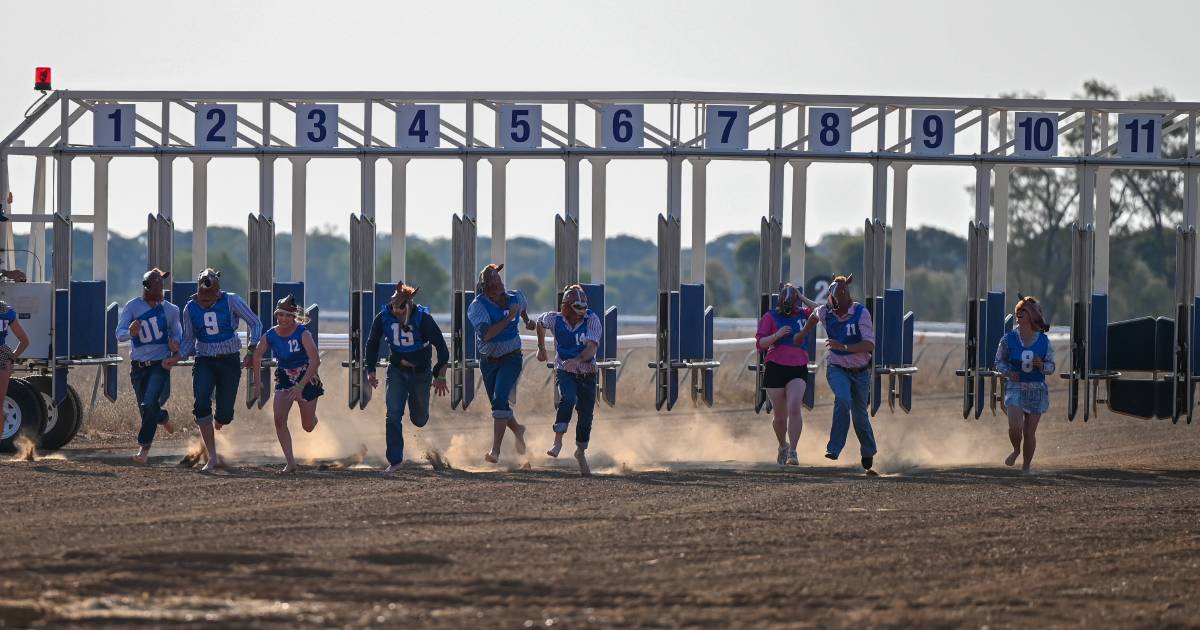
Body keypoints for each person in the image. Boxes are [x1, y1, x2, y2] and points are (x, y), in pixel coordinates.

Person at [168, 268, 262, 472]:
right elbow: (188, 341)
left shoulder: (231, 301)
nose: (206, 303)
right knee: (201, 403)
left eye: (209, 300)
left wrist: (251, 350)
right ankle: (212, 456)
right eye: (203, 299)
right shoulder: (190, 308)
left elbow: (255, 323)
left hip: (229, 361)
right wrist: (176, 357)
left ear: (218, 293)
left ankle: (207, 436)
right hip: (204, 360)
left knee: (225, 415)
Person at [796, 274, 878, 474]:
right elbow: (815, 314)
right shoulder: (827, 311)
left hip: (860, 372)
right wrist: (802, 334)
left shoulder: (860, 313)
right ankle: (834, 448)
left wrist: (843, 346)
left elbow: (869, 345)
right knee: (842, 399)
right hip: (837, 368)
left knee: (860, 416)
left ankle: (868, 450)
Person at [364, 282, 449, 473]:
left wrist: (439, 374)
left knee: (419, 419)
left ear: (409, 304)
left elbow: (442, 348)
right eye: (393, 306)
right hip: (396, 370)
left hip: (420, 373)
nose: (396, 311)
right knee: (393, 414)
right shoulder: (384, 317)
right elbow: (372, 343)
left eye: (400, 307)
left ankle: (419, 413)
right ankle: (395, 460)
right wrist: (370, 369)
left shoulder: (423, 319)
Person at [467, 263, 534, 464]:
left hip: (511, 357)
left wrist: (527, 320)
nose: (500, 285)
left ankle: (495, 451)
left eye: (499, 280)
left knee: (499, 399)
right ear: (485, 288)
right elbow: (487, 335)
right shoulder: (478, 307)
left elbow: (522, 307)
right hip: (488, 360)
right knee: (499, 403)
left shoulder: (516, 297)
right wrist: (511, 317)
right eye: (494, 282)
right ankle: (518, 429)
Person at [116, 268, 183, 464]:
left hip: (159, 365)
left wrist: (175, 343)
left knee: (148, 403)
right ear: (147, 286)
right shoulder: (132, 307)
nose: (161, 287)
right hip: (138, 367)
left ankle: (143, 451)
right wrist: (130, 332)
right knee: (147, 409)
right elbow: (119, 334)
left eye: (162, 283)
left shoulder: (171, 310)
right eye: (157, 283)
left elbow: (177, 333)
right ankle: (162, 417)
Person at [535, 284, 602, 477]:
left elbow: (592, 347)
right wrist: (541, 347)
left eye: (583, 307)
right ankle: (557, 441)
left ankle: (580, 451)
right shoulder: (555, 319)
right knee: (568, 399)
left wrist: (579, 360)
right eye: (577, 307)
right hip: (565, 370)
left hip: (587, 373)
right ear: (566, 306)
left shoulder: (592, 319)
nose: (582, 311)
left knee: (586, 416)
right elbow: (540, 322)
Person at [251, 295, 322, 474]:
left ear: (293, 317)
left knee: (308, 427)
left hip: (306, 377)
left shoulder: (303, 333)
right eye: (279, 315)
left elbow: (315, 361)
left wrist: (300, 387)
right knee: (279, 420)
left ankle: (312, 418)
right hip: (284, 376)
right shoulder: (271, 334)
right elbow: (257, 355)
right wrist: (257, 381)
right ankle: (290, 462)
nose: (283, 319)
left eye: (287, 316)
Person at [995, 296, 1054, 474]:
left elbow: (1051, 367)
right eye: (1017, 312)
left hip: (1036, 390)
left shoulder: (1045, 342)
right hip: (1015, 388)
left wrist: (1042, 366)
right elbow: (998, 362)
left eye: (1023, 312)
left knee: (1029, 433)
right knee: (1015, 427)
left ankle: (1026, 466)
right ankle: (1016, 450)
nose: (1019, 315)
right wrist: (1007, 372)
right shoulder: (1007, 339)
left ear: (1032, 316)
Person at [754, 283, 812, 466]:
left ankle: (793, 452)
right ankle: (782, 446)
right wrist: (776, 335)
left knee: (794, 406)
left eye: (793, 302)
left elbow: (821, 310)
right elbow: (760, 343)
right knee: (780, 416)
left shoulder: (803, 314)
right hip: (775, 367)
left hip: (798, 367)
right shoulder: (770, 316)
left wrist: (802, 297)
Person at [0, 268, 30, 437]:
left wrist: (11, 358)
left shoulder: (5, 311)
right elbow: (24, 341)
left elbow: (24, 341)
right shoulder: (6, 311)